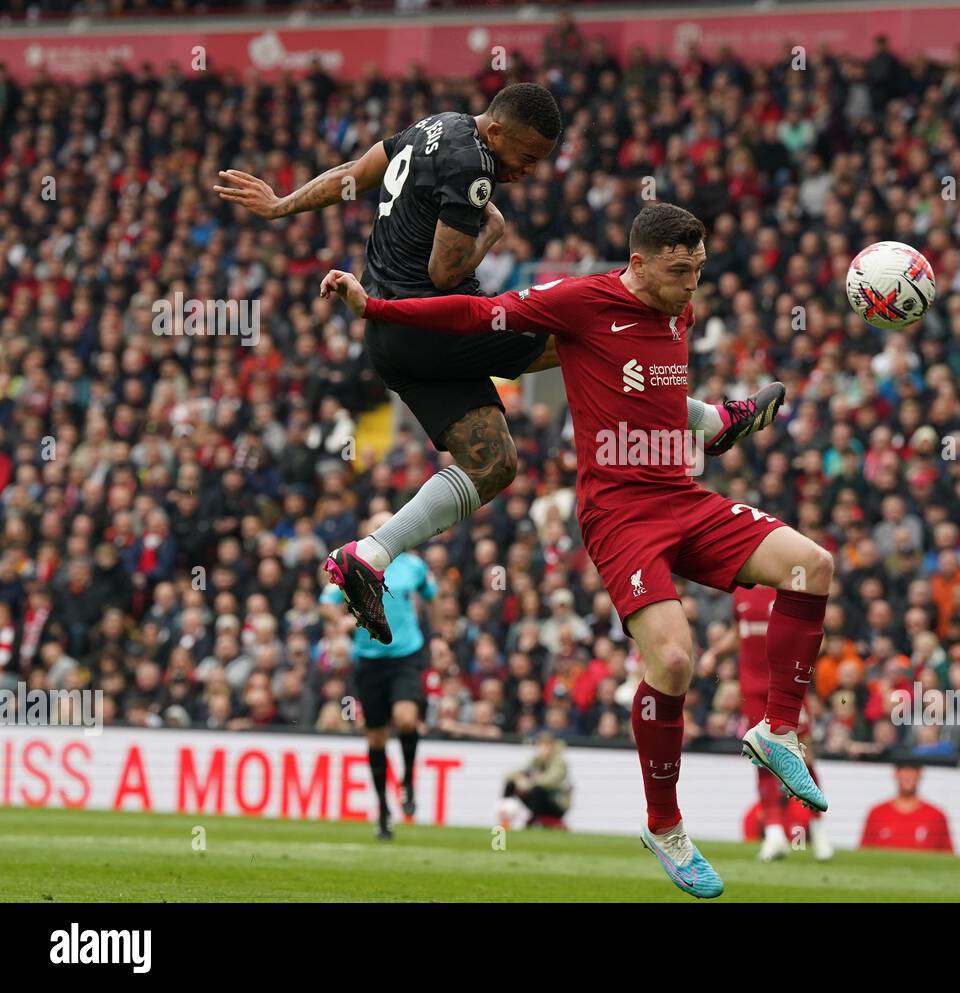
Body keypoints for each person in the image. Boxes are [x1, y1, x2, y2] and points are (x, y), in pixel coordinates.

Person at [321, 201, 830, 899]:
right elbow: (476, 315)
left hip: (685, 496)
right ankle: (665, 824)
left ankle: (778, 730)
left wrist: (710, 421)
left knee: (813, 564)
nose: (692, 283)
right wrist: (375, 306)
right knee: (674, 661)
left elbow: (653, 388)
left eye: (700, 268)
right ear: (640, 263)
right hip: (620, 514)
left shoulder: (678, 310)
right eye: (680, 270)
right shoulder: (579, 301)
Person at [216, 84, 784, 644]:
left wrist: (283, 205)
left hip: (393, 338)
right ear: (496, 133)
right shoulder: (472, 163)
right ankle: (709, 422)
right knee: (588, 333)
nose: (529, 172)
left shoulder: (436, 125)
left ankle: (368, 555)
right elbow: (443, 274)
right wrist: (491, 231)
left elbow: (358, 173)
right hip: (436, 324)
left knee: (494, 465)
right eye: (527, 157)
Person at [319, 511, 436, 840]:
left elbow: (431, 597)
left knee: (407, 718)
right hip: (370, 660)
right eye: (377, 526)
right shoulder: (353, 563)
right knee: (376, 738)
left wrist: (438, 636)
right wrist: (340, 618)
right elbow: (326, 602)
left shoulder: (413, 565)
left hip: (406, 655)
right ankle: (384, 811)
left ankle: (409, 782)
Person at [703, 584, 831, 862]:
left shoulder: (789, 587)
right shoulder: (741, 591)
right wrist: (714, 653)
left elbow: (817, 637)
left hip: (786, 686)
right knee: (761, 757)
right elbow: (740, 633)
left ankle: (818, 829)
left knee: (803, 757)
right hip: (753, 689)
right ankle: (774, 834)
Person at [859, 764, 953, 852]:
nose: (908, 775)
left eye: (913, 770)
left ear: (920, 774)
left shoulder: (936, 815)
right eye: (904, 770)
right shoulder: (877, 813)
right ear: (896, 773)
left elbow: (949, 858)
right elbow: (863, 855)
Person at [497, 731, 572, 829]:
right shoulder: (537, 761)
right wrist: (518, 779)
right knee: (512, 784)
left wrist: (528, 784)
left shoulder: (559, 762)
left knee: (538, 790)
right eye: (540, 745)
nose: (542, 749)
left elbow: (550, 781)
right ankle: (505, 815)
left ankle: (535, 820)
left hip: (557, 803)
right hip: (540, 798)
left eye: (546, 746)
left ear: (552, 746)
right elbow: (514, 774)